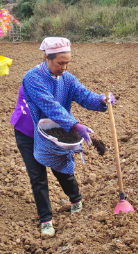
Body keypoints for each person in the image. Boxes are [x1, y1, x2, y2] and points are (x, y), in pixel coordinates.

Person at [11, 37, 114, 238]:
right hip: (28, 130)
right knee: (37, 175)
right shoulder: (33, 78)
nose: (64, 67)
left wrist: (102, 100)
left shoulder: (67, 79)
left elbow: (84, 95)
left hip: (53, 131)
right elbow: (50, 106)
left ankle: (75, 199)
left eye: (68, 62)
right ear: (47, 58)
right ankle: (46, 220)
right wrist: (75, 125)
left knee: (61, 167)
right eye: (60, 63)